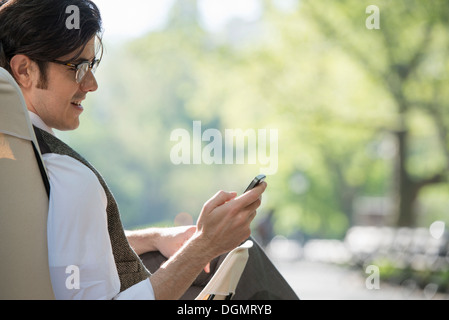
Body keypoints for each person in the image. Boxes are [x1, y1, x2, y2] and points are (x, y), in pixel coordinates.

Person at [0, 0, 299, 300]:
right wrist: (204, 245)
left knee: (228, 258)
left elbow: (61, 254)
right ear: (24, 70)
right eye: (77, 68)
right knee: (243, 265)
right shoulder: (70, 177)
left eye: (91, 66)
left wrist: (153, 237)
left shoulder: (20, 156)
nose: (91, 84)